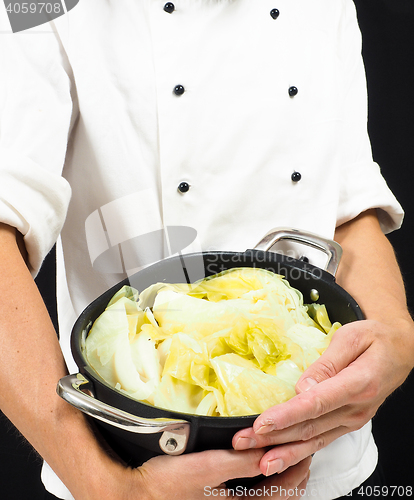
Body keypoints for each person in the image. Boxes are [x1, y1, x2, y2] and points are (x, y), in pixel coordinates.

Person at [0, 1, 413, 499]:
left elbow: (348, 208)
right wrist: (107, 486)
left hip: (321, 452)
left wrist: (393, 331)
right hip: (138, 457)